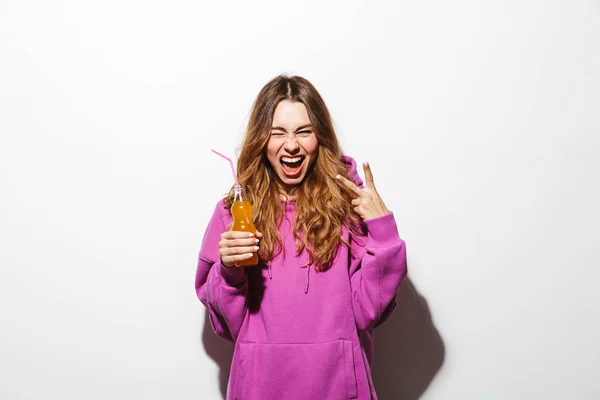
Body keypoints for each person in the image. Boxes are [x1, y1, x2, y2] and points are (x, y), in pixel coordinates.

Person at [195, 75, 407, 399]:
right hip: (260, 387)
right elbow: (227, 326)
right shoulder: (235, 212)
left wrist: (383, 232)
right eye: (277, 132)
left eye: (304, 131)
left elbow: (370, 311)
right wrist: (227, 271)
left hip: (339, 388)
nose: (291, 145)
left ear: (319, 136)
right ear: (261, 139)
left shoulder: (348, 205)